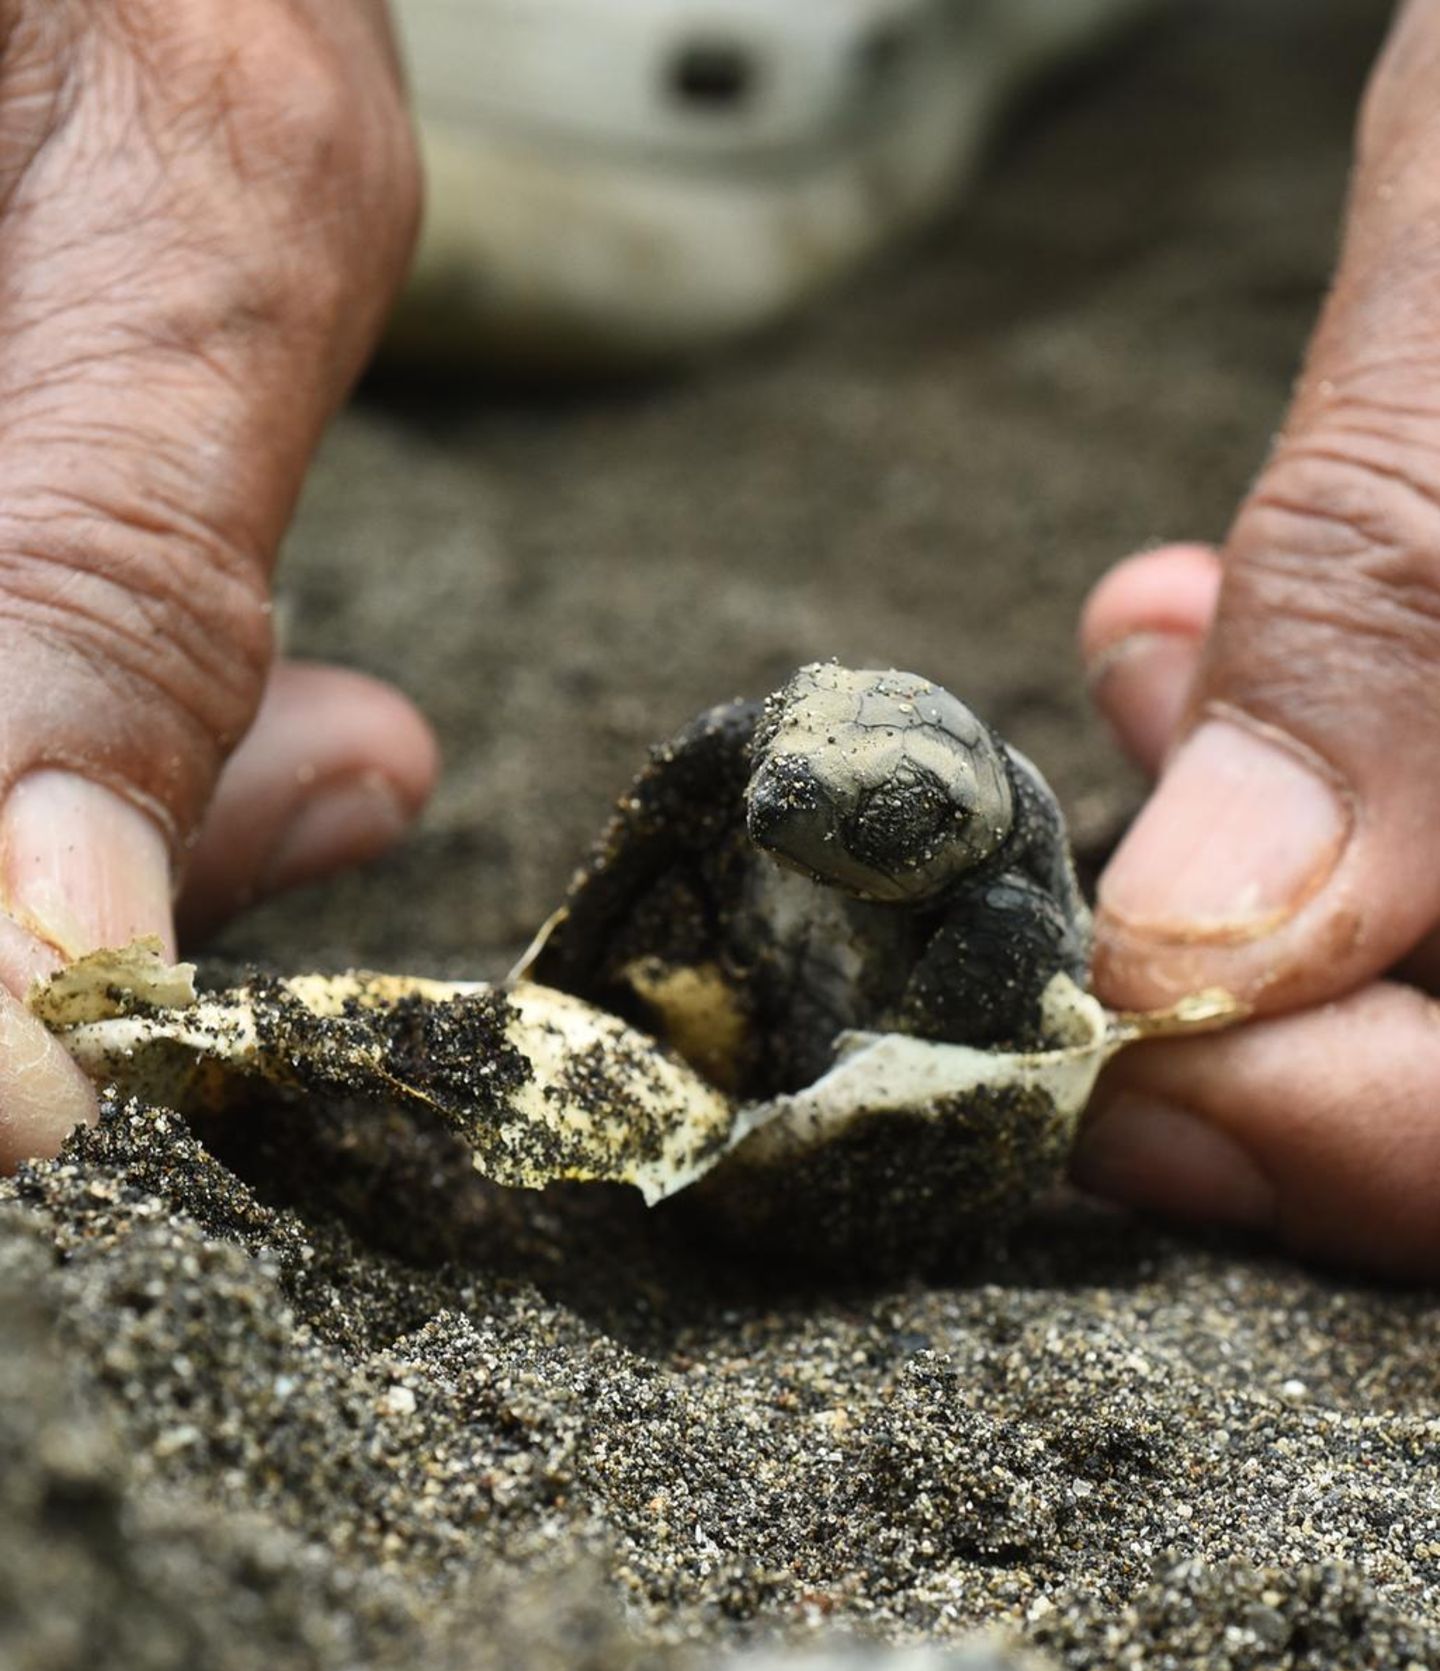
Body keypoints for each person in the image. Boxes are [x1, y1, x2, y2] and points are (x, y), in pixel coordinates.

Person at [1, 0, 1434, 1277]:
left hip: (872, 1106)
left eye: (870, 809)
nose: (791, 801)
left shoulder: (998, 915)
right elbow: (722, 785)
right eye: (783, 774)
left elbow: (961, 1025)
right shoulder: (764, 772)